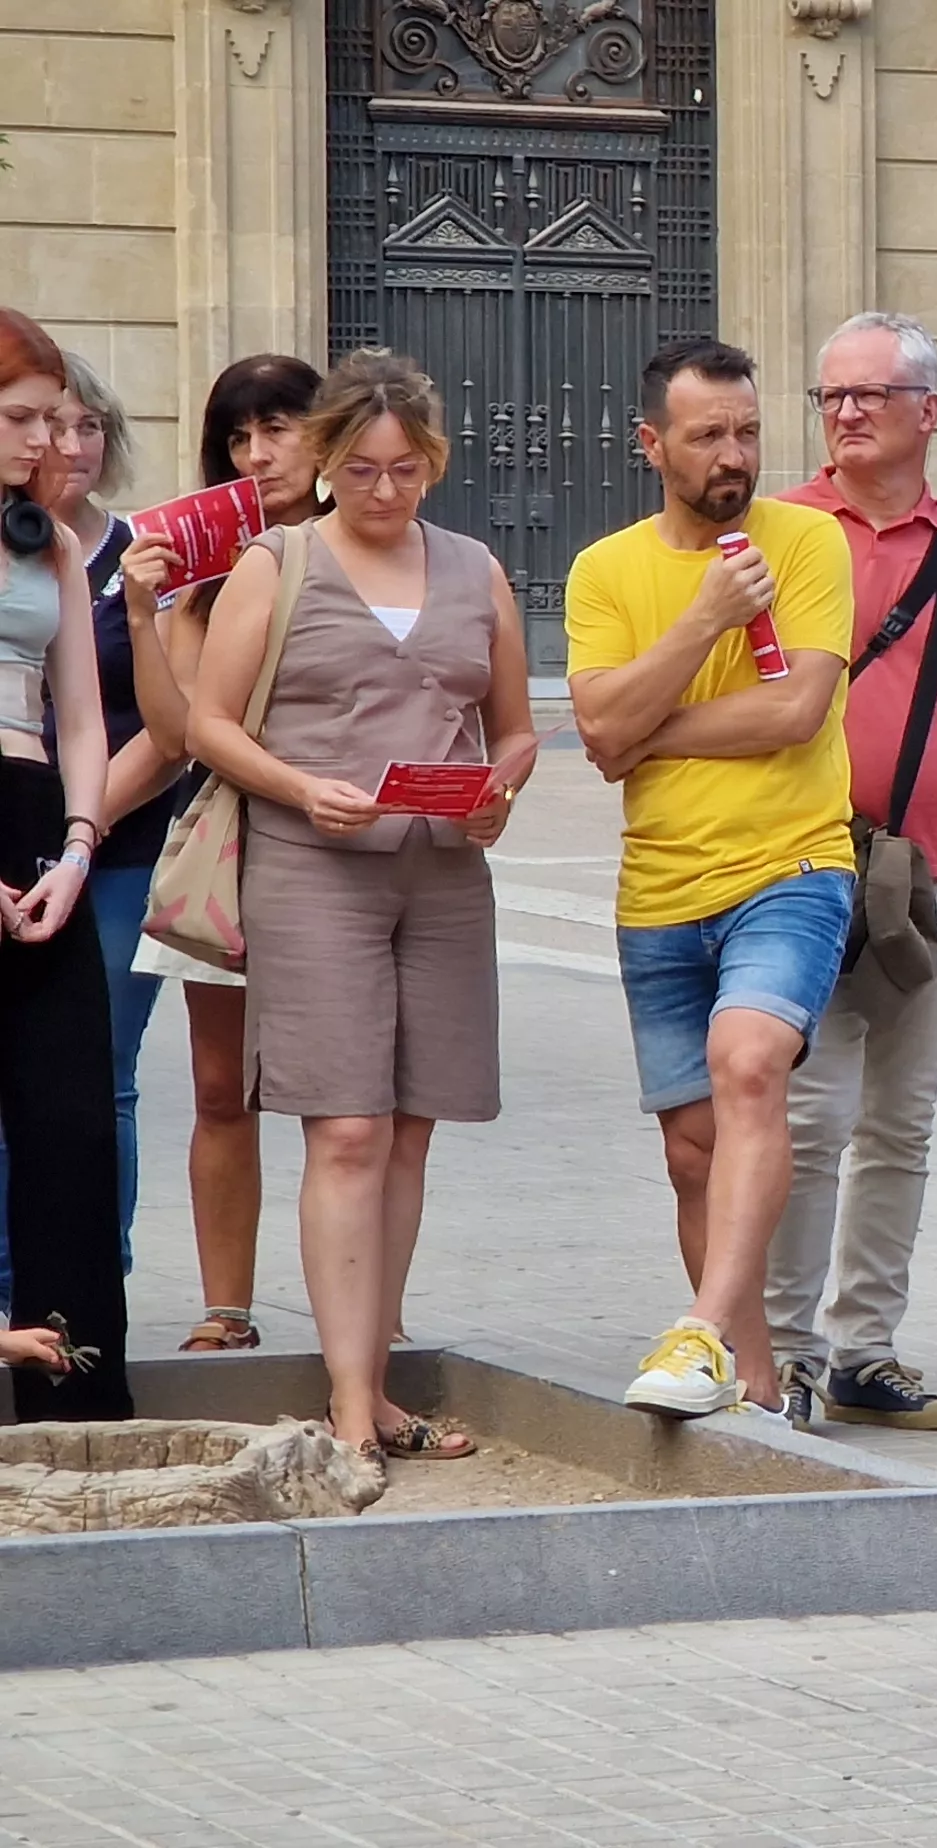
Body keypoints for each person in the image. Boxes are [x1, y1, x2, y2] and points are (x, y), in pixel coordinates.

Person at [180, 349, 528, 1464]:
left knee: (411, 1130)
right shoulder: (276, 565)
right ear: (328, 461)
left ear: (434, 462)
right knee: (345, 1128)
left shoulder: (475, 566)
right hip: (310, 865)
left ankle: (376, 1378)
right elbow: (212, 724)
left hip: (441, 874)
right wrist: (298, 786)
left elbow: (514, 723)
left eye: (408, 470)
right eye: (365, 469)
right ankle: (344, 1399)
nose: (386, 492)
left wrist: (501, 790)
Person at [760, 312, 937, 1434]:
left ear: (928, 410)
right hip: (799, 865)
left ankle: (864, 1350)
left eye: (870, 395)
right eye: (832, 396)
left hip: (936, 878)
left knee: (901, 1126)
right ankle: (782, 1350)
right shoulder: (779, 529)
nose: (847, 414)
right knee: (808, 1116)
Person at [566, 338, 858, 1419]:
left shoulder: (811, 540)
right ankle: (757, 1383)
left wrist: (647, 727)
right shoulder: (607, 572)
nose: (733, 455)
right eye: (707, 436)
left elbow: (795, 713)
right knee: (694, 1155)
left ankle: (699, 1334)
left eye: (746, 432)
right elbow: (597, 734)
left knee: (750, 1069)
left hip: (793, 865)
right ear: (652, 445)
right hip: (660, 895)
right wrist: (703, 620)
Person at [126, 354, 316, 1354]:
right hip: (230, 844)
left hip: (340, 846)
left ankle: (362, 1311)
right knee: (218, 1086)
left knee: (350, 1096)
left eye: (279, 427)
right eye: (239, 437)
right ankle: (226, 1308)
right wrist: (144, 615)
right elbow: (177, 734)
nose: (258, 453)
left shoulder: (368, 548)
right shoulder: (203, 582)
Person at [0, 306, 126, 1421]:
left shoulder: (57, 542)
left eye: (60, 420)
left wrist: (80, 849)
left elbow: (80, 717)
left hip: (40, 817)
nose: (48, 442)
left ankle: (75, 1400)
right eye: (24, 417)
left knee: (73, 1117)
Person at [50, 356, 174, 1270]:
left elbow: (172, 727)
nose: (75, 444)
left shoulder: (144, 553)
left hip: (124, 850)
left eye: (93, 426)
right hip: (16, 842)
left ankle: (100, 1279)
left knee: (105, 1071)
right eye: (56, 424)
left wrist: (80, 828)